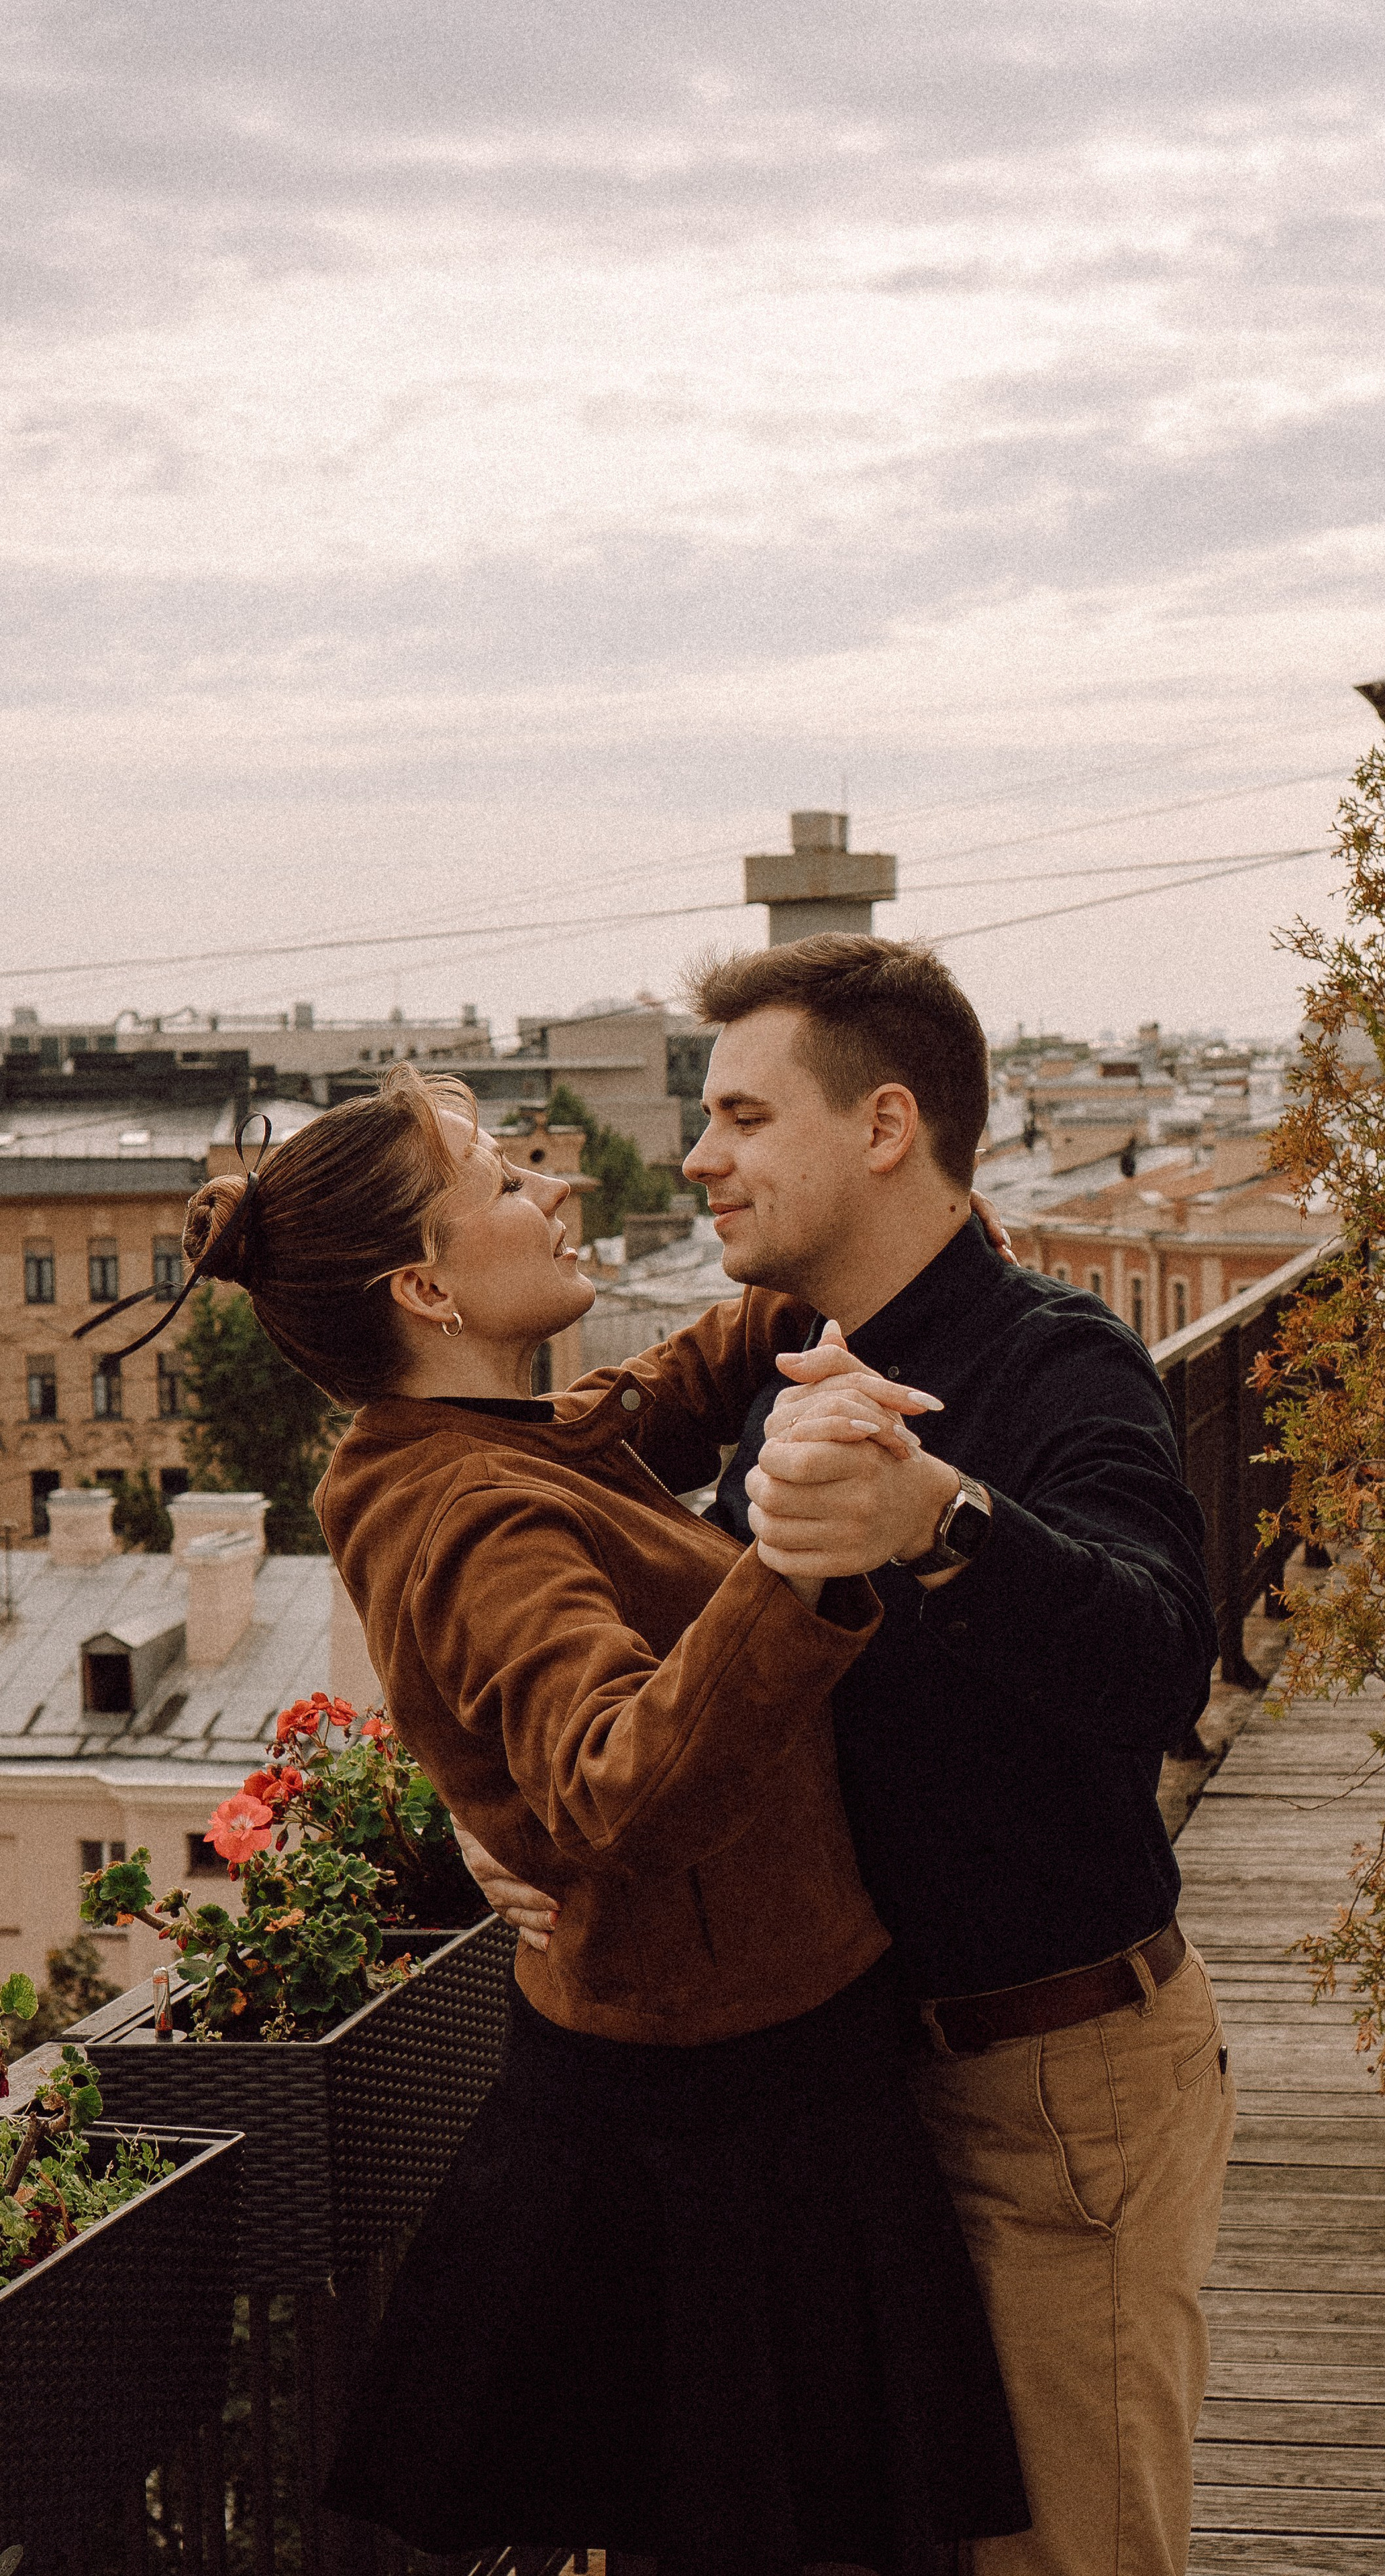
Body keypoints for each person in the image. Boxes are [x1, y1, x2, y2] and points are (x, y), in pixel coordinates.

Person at [166, 1069, 1028, 2576]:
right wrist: (798, 1548)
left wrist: (799, 1309)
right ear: (428, 1286)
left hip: (713, 2091)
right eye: (507, 1181)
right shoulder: (477, 1512)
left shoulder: (478, 1439)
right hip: (721, 2137)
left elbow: (646, 1402)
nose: (556, 1191)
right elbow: (615, 1779)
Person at [469, 937, 1235, 2576]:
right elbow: (706, 1692)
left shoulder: (1053, 1357)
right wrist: (508, 1823)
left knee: (1066, 2554)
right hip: (848, 2094)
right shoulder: (787, 1357)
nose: (694, 1156)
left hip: (1049, 2093)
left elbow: (1164, 1657)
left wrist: (938, 1516)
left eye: (742, 1115)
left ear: (883, 1126)